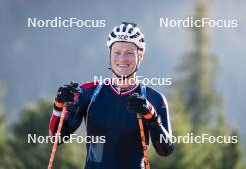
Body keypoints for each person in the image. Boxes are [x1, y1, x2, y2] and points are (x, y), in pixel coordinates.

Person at [49, 22, 174, 169]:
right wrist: (58, 106)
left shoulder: (154, 99)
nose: (122, 59)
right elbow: (56, 137)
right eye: (117, 52)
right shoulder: (89, 92)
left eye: (129, 53)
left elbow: (165, 150)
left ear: (141, 55)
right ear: (109, 54)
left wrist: (151, 117)